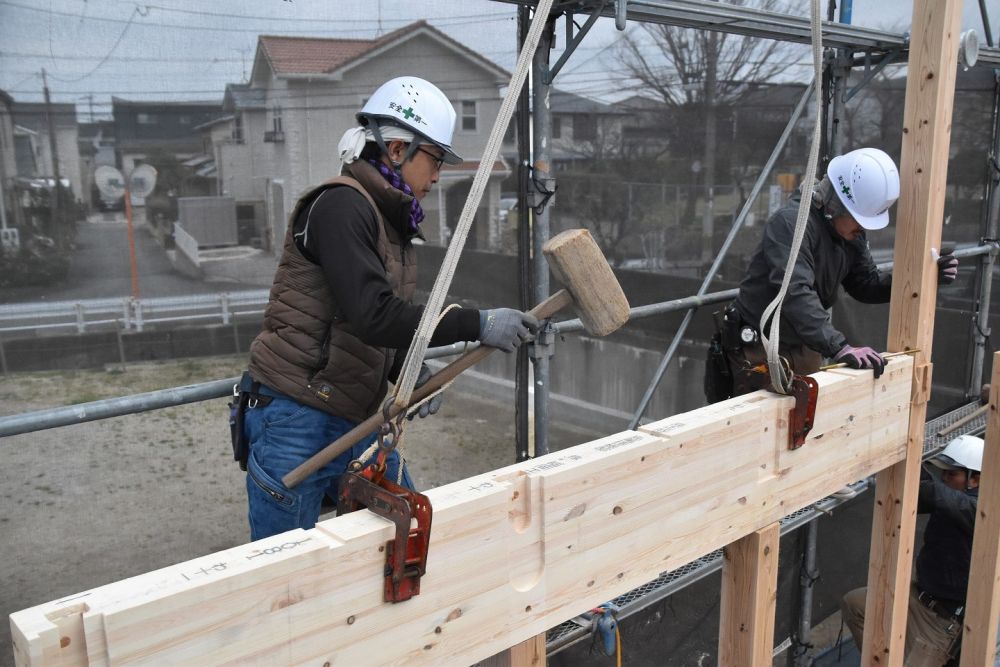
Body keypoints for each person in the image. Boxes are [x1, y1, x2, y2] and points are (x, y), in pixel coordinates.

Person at [236, 76, 539, 541]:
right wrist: (476, 323)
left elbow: (356, 319)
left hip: (350, 417)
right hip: (295, 417)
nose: (438, 175)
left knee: (407, 537)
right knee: (287, 580)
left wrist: (404, 368)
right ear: (397, 149)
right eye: (434, 159)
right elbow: (372, 314)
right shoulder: (341, 207)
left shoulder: (388, 222)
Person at [704, 147, 959, 401]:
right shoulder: (791, 224)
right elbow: (795, 291)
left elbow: (865, 283)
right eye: (858, 219)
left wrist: (925, 279)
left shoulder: (849, 233)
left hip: (803, 345)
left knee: (804, 431)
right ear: (835, 204)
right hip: (759, 350)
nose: (862, 228)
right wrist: (839, 346)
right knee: (755, 434)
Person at [840, 434, 983, 665]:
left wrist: (901, 447)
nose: (945, 478)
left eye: (952, 474)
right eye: (943, 473)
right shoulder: (956, 500)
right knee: (855, 604)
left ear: (975, 480)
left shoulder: (980, 512)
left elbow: (936, 494)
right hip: (918, 596)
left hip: (942, 622)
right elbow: (927, 496)